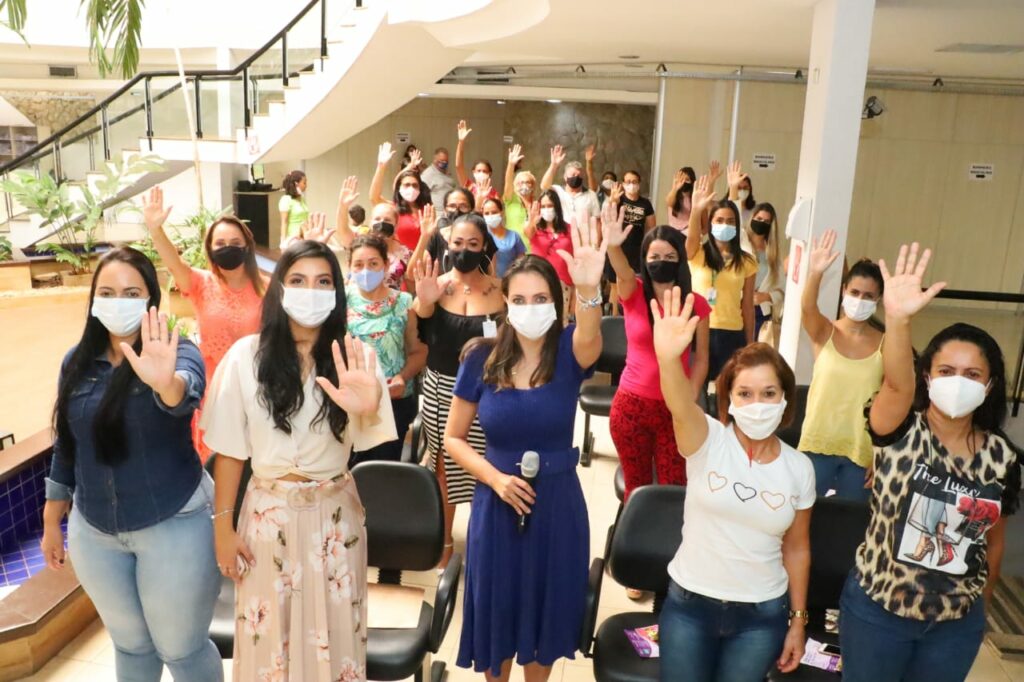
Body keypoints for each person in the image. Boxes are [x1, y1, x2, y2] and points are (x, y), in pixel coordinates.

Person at [204, 240, 395, 682]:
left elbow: (373, 442)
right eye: (298, 280)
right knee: (268, 644)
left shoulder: (357, 358)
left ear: (337, 292)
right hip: (266, 518)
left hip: (334, 518)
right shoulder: (245, 357)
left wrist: (367, 407)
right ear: (280, 289)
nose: (311, 291)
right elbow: (229, 451)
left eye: (323, 281)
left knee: (336, 639)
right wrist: (223, 528)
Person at [839, 243, 1022, 682]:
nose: (958, 382)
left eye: (972, 375)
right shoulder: (900, 427)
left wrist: (980, 604)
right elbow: (896, 385)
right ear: (927, 376)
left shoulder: (1002, 457)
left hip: (955, 626)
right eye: (946, 371)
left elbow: (993, 541)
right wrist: (898, 320)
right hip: (878, 614)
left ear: (990, 385)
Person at [40, 247, 222, 682]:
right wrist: (51, 519)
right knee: (131, 647)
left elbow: (182, 396)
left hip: (174, 524)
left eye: (131, 293)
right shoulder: (76, 362)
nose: (117, 302)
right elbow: (67, 443)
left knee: (181, 649)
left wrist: (166, 384)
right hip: (95, 533)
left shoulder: (176, 352)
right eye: (106, 292)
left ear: (150, 300)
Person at [445, 230, 605, 680]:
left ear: (556, 302)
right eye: (520, 299)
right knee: (496, 616)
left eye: (540, 298)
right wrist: (494, 478)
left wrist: (589, 289)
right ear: (505, 303)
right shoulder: (480, 358)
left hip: (556, 506)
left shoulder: (570, 352)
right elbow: (454, 438)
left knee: (544, 619)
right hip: (496, 505)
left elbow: (591, 333)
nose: (530, 307)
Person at [652, 288, 814, 682]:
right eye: (745, 394)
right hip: (690, 606)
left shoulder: (800, 468)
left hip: (761, 617)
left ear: (785, 398)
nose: (757, 404)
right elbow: (679, 405)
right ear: (730, 398)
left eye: (768, 393)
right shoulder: (707, 439)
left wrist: (797, 620)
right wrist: (668, 359)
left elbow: (796, 548)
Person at [141, 186, 266, 464]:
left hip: (255, 389)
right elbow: (174, 264)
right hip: (213, 393)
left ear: (247, 246)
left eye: (234, 241)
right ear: (210, 249)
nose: (227, 247)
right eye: (220, 243)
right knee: (216, 464)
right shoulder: (201, 284)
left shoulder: (266, 289)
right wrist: (156, 230)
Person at [413, 213, 503, 569]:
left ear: (484, 247)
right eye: (457, 243)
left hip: (487, 390)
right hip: (442, 389)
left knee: (486, 464)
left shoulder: (498, 289)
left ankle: (484, 537)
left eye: (473, 244)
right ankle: (446, 540)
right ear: (447, 246)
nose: (464, 250)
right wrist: (425, 300)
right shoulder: (436, 285)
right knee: (443, 466)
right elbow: (420, 324)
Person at [605, 208, 711, 497]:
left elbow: (702, 358)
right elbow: (622, 269)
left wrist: (690, 394)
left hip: (674, 408)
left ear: (680, 260)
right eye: (654, 257)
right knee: (636, 490)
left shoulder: (696, 304)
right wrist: (612, 245)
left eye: (669, 257)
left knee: (674, 490)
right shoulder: (633, 291)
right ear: (644, 259)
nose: (661, 262)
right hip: (631, 408)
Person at [798, 229, 885, 501]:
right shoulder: (825, 331)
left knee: (848, 522)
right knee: (803, 516)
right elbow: (808, 308)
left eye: (868, 296)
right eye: (855, 292)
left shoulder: (887, 344)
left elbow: (892, 404)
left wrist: (882, 453)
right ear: (844, 290)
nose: (860, 300)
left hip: (861, 453)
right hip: (816, 445)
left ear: (878, 300)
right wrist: (815, 273)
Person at [346, 234, 427, 464]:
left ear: (386, 265)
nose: (366, 271)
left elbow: (418, 351)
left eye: (373, 263)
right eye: (358, 265)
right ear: (349, 267)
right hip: (350, 402)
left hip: (393, 403)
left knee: (382, 470)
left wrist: (402, 377)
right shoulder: (341, 300)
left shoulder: (403, 302)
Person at [686, 175, 758, 382]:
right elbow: (691, 240)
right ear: (710, 224)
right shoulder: (697, 253)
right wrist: (696, 211)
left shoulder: (747, 261)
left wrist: (750, 344)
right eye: (719, 220)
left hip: (731, 333)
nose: (724, 225)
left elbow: (747, 306)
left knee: (726, 388)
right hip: (698, 329)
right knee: (695, 387)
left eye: (730, 221)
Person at [335, 177, 413, 289]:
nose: (382, 223)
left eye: (387, 220)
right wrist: (343, 207)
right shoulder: (359, 243)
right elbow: (343, 231)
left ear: (396, 225)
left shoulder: (405, 253)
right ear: (370, 223)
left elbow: (411, 285)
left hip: (390, 299)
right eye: (377, 219)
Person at [370, 142, 432, 251]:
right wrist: (381, 167)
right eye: (407, 185)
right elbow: (374, 197)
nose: (411, 188)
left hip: (424, 258)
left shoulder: (426, 209)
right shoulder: (393, 208)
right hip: (401, 257)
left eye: (415, 185)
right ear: (399, 188)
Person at [524, 189, 574, 317]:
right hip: (539, 281)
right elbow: (528, 232)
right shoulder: (535, 228)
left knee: (561, 320)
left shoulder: (569, 229)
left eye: (550, 205)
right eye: (543, 206)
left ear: (557, 207)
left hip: (564, 284)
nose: (547, 209)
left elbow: (575, 258)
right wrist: (532, 221)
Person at [748, 202, 786, 345]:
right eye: (758, 219)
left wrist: (766, 296)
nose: (761, 223)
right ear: (752, 218)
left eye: (766, 221)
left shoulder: (773, 254)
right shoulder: (742, 244)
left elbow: (782, 291)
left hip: (760, 315)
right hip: (737, 309)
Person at [540, 144, 600, 221]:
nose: (576, 177)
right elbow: (544, 186)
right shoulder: (558, 191)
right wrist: (553, 165)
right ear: (565, 177)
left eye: (579, 175)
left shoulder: (591, 195)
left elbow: (597, 219)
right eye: (573, 174)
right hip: (563, 228)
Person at [613, 169, 657, 274]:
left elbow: (651, 227)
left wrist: (648, 246)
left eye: (634, 182)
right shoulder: (619, 200)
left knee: (635, 278)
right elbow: (608, 217)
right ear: (623, 184)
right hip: (619, 246)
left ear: (639, 184)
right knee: (616, 278)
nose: (631, 185)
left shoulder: (645, 203)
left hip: (637, 248)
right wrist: (613, 201)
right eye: (628, 182)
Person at [501, 144, 536, 251]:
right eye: (520, 183)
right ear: (515, 185)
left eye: (527, 182)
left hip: (532, 250)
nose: (524, 185)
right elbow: (508, 182)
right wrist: (511, 165)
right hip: (513, 249)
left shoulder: (536, 204)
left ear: (533, 185)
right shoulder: (511, 199)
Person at [455, 120, 499, 202]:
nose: (481, 173)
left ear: (489, 173)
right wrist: (461, 142)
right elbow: (458, 166)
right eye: (479, 171)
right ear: (473, 172)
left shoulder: (493, 193)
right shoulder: (469, 186)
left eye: (484, 171)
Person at [482, 197, 526, 278]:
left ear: (502, 213)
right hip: (488, 281)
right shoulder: (482, 236)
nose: (490, 216)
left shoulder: (514, 236)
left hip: (510, 280)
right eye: (487, 213)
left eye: (494, 212)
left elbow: (522, 262)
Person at [726, 161, 757, 253]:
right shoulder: (726, 208)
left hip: (748, 249)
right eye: (739, 188)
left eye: (745, 188)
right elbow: (733, 206)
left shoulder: (755, 211)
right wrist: (733, 187)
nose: (742, 191)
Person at [278, 170, 309, 247]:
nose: (306, 185)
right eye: (304, 183)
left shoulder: (301, 199)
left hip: (304, 235)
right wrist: (283, 242)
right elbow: (284, 222)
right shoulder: (285, 200)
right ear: (296, 184)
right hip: (293, 238)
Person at [666, 167, 696, 233]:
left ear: (692, 182)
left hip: (688, 232)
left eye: (687, 179)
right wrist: (675, 188)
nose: (684, 182)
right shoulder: (673, 195)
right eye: (682, 179)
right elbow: (669, 203)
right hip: (672, 232)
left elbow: (704, 226)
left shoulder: (695, 197)